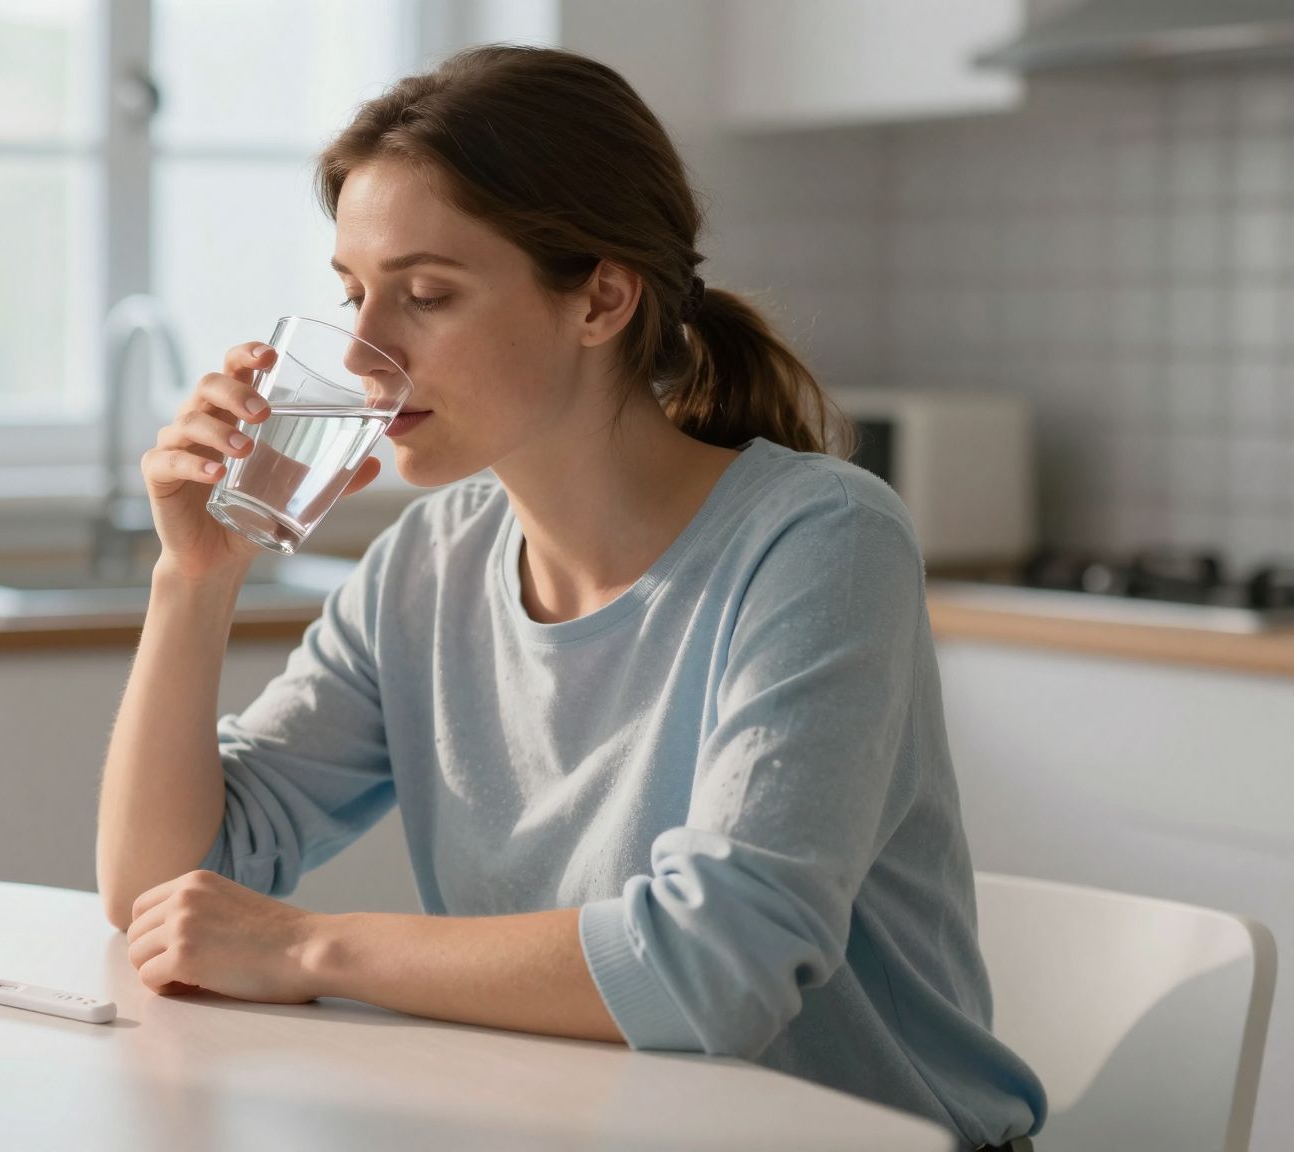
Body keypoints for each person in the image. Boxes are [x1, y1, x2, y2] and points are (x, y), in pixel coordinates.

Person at [94, 44, 1045, 1152]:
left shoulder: (820, 543)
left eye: (425, 295)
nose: (362, 351)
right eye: (352, 294)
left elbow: (718, 965)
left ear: (598, 297)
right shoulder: (425, 565)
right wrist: (193, 580)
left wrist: (308, 948)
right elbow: (164, 896)